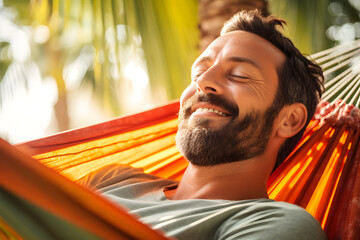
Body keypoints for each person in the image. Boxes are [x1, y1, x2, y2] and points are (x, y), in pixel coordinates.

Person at [78, 10, 327, 239]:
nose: (204, 81)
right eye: (198, 72)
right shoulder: (112, 179)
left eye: (239, 75)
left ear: (289, 120)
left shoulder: (272, 223)